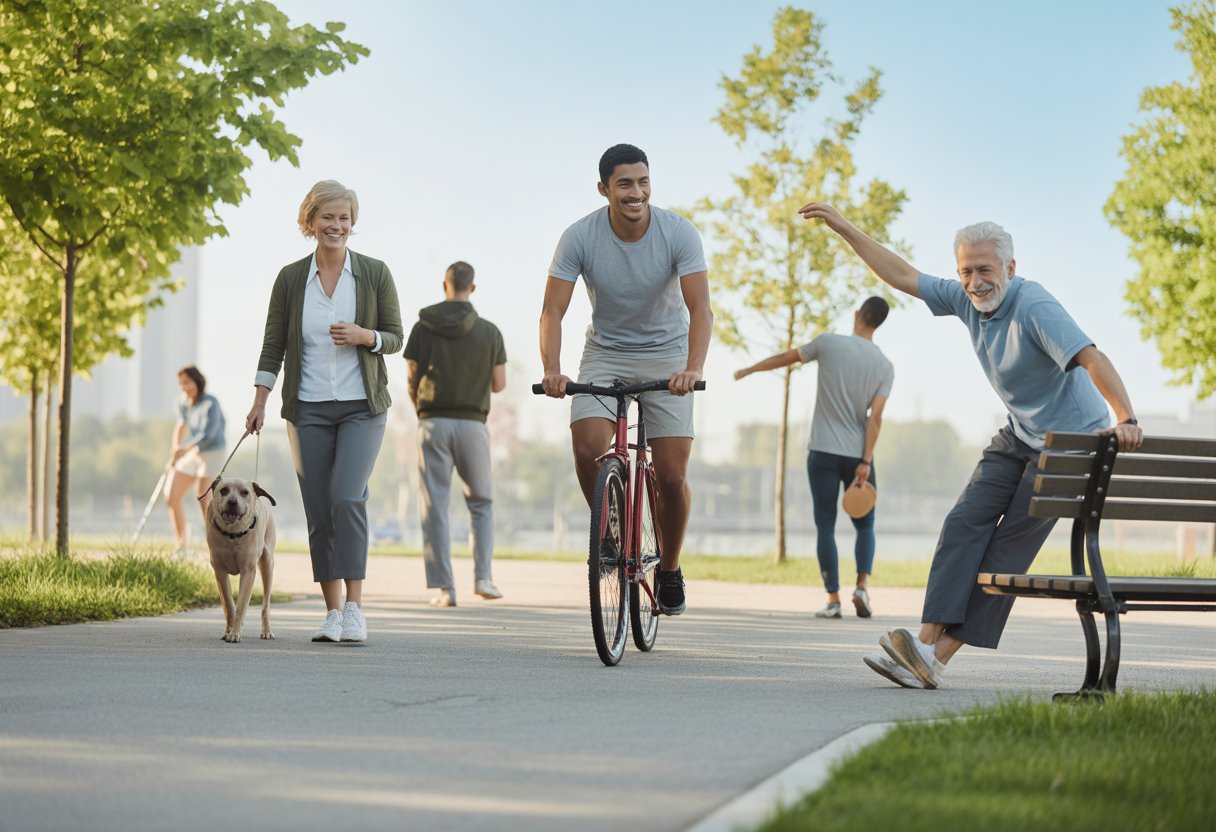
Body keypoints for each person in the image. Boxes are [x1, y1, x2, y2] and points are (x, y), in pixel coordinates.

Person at [798, 202, 1144, 690]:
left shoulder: (1035, 305)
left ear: (1009, 268)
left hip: (1072, 443)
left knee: (1006, 547)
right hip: (1020, 433)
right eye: (966, 271)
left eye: (984, 270)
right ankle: (921, 646)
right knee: (963, 522)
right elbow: (901, 274)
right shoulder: (964, 299)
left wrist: (1125, 417)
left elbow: (1091, 356)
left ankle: (936, 658)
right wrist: (842, 227)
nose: (975, 281)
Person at [539, 143, 712, 616]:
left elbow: (700, 309)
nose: (636, 193)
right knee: (585, 448)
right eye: (625, 184)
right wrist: (552, 370)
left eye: (643, 182)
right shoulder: (580, 236)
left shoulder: (678, 232)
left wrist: (692, 367)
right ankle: (613, 535)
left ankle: (670, 568)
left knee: (672, 476)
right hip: (606, 353)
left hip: (668, 356)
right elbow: (553, 310)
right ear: (604, 189)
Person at [245, 180, 403, 644]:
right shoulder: (291, 279)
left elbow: (396, 336)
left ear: (353, 223)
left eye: (344, 218)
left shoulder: (374, 273)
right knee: (319, 507)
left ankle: (356, 608)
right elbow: (273, 345)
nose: (336, 226)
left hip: (362, 406)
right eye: (327, 217)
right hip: (307, 408)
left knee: (347, 495)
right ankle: (332, 612)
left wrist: (364, 336)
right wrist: (259, 401)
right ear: (310, 221)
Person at [734, 296, 894, 619]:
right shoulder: (885, 366)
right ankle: (862, 587)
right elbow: (874, 419)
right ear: (879, 324)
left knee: (826, 525)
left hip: (822, 450)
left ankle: (833, 600)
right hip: (857, 455)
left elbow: (786, 358)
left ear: (858, 315)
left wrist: (751, 369)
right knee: (866, 525)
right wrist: (865, 462)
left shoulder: (828, 343)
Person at [405, 261, 507, 608]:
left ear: (444, 285)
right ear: (472, 288)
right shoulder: (490, 332)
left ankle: (445, 589)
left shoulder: (423, 327)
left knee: (434, 506)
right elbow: (499, 384)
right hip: (473, 425)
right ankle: (484, 578)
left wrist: (422, 406)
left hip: (432, 422)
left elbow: (412, 377)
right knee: (481, 503)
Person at [166, 365, 226, 557]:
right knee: (171, 495)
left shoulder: (211, 403)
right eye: (182, 384)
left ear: (197, 382)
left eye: (188, 382)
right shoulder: (182, 402)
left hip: (213, 450)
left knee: (202, 495)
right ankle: (182, 546)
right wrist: (175, 450)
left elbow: (208, 434)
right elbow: (181, 426)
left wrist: (185, 448)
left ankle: (215, 544)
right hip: (194, 452)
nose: (185, 387)